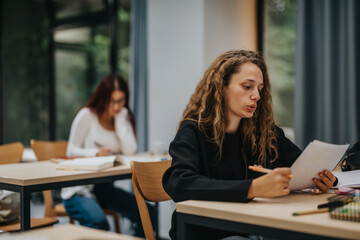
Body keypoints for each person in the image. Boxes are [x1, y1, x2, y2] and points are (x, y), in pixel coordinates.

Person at [162, 50, 337, 240]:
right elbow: (179, 184)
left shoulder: (264, 132)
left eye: (259, 89)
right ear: (221, 86)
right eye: (247, 87)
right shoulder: (193, 130)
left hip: (251, 230)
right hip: (205, 233)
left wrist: (323, 178)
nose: (256, 96)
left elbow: (301, 165)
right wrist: (252, 188)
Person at [62, 74, 155, 237]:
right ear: (103, 99)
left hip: (104, 188)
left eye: (121, 100)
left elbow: (130, 151)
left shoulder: (121, 117)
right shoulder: (87, 116)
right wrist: (95, 153)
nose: (117, 106)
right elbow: (70, 151)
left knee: (148, 213)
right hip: (78, 189)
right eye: (112, 101)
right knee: (99, 222)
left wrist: (120, 123)